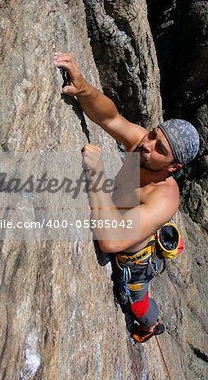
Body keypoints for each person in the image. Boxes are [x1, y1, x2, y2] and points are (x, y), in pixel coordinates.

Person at [54, 52, 200, 342]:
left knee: (136, 301)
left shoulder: (165, 198)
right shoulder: (142, 145)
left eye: (160, 149)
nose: (148, 145)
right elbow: (110, 117)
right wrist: (84, 88)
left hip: (133, 260)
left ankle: (151, 326)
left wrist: (94, 169)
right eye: (154, 136)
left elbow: (110, 240)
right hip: (122, 219)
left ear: (173, 167)